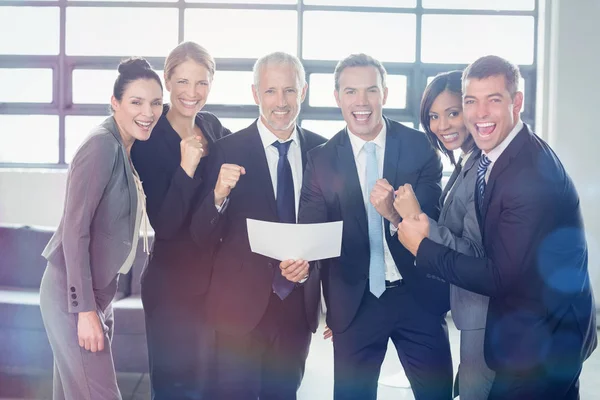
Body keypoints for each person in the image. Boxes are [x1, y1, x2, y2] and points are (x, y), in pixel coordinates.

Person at [397, 55, 597, 400]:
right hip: (527, 329)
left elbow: (498, 274)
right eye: (472, 101)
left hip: (544, 343)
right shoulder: (498, 157)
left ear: (517, 102)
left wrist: (423, 245)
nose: (479, 113)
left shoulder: (528, 175)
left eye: (494, 100)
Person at [298, 53, 452, 400]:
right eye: (351, 91)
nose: (362, 102)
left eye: (371, 90)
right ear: (337, 97)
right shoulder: (321, 159)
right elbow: (311, 232)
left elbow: (433, 223)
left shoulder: (418, 147)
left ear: (385, 93)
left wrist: (394, 215)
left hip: (418, 297)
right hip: (355, 303)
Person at [189, 51, 325, 400]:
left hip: (296, 311)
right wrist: (218, 196)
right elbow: (199, 235)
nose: (281, 102)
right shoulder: (223, 152)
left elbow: (331, 232)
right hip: (237, 312)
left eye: (290, 91)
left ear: (304, 92)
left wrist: (312, 272)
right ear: (255, 94)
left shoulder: (322, 153)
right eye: (270, 91)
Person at [39, 58, 163, 400]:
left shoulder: (125, 147)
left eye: (155, 103)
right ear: (115, 103)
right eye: (136, 102)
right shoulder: (101, 145)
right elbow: (74, 231)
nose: (148, 112)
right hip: (72, 295)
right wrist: (85, 311)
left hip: (96, 293)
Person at [131, 41, 231, 399]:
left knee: (214, 389)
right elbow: (167, 224)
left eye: (202, 83)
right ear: (168, 82)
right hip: (172, 287)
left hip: (217, 285)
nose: (193, 92)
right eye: (184, 82)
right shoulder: (150, 138)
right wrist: (187, 167)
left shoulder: (212, 125)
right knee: (176, 391)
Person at [394, 70, 494, 400]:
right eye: (434, 116)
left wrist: (415, 217)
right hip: (469, 311)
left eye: (452, 113)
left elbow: (475, 253)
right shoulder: (466, 162)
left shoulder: (483, 169)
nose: (442, 125)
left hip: (484, 313)